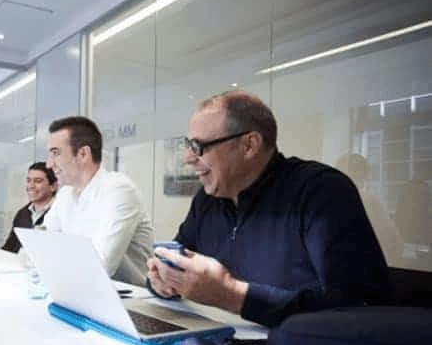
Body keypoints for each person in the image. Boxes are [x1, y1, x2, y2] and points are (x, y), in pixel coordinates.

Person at [147, 90, 392, 327]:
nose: (188, 158)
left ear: (249, 145)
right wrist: (162, 281)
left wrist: (231, 294)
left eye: (199, 147)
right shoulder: (208, 199)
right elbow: (174, 263)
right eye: (188, 145)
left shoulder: (321, 191)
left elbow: (356, 310)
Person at [44, 116, 153, 286]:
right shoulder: (65, 194)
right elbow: (43, 248)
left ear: (83, 154)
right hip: (78, 289)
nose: (49, 164)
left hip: (132, 302)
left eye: (55, 153)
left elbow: (100, 267)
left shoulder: (119, 189)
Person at [1, 162, 58, 253]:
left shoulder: (60, 214)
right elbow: (9, 248)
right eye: (28, 180)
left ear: (53, 186)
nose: (31, 186)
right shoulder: (22, 214)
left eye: (38, 181)